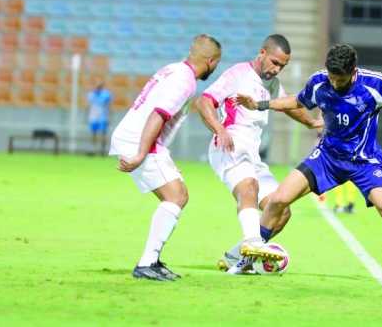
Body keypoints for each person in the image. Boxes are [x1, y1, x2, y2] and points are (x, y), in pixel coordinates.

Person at [237, 44, 382, 287]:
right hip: (327, 157)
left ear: (353, 72)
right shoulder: (320, 81)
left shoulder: (374, 84)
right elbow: (298, 101)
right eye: (331, 77)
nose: (333, 83)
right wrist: (259, 104)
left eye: (339, 79)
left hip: (364, 160)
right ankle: (249, 258)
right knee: (279, 199)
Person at [197, 34, 323, 274]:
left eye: (282, 66)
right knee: (249, 187)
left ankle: (234, 257)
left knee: (281, 209)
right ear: (262, 53)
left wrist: (312, 123)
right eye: (275, 62)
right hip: (229, 146)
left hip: (253, 156)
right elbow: (204, 101)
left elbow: (287, 105)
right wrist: (219, 129)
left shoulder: (272, 84)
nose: (277, 70)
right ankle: (253, 243)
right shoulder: (238, 74)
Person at [109, 34, 222, 280]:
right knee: (177, 195)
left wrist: (163, 154)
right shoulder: (185, 81)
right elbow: (157, 115)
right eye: (217, 63)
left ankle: (152, 260)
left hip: (141, 137)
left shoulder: (173, 70)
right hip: (139, 139)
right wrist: (141, 153)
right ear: (211, 61)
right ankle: (146, 263)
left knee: (176, 194)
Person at [87, 79, 112, 151]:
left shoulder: (106, 94)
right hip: (93, 117)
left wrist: (109, 117)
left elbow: (109, 106)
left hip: (103, 117)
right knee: (93, 133)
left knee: (103, 133)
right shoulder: (91, 95)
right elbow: (89, 106)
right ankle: (93, 149)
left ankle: (102, 150)